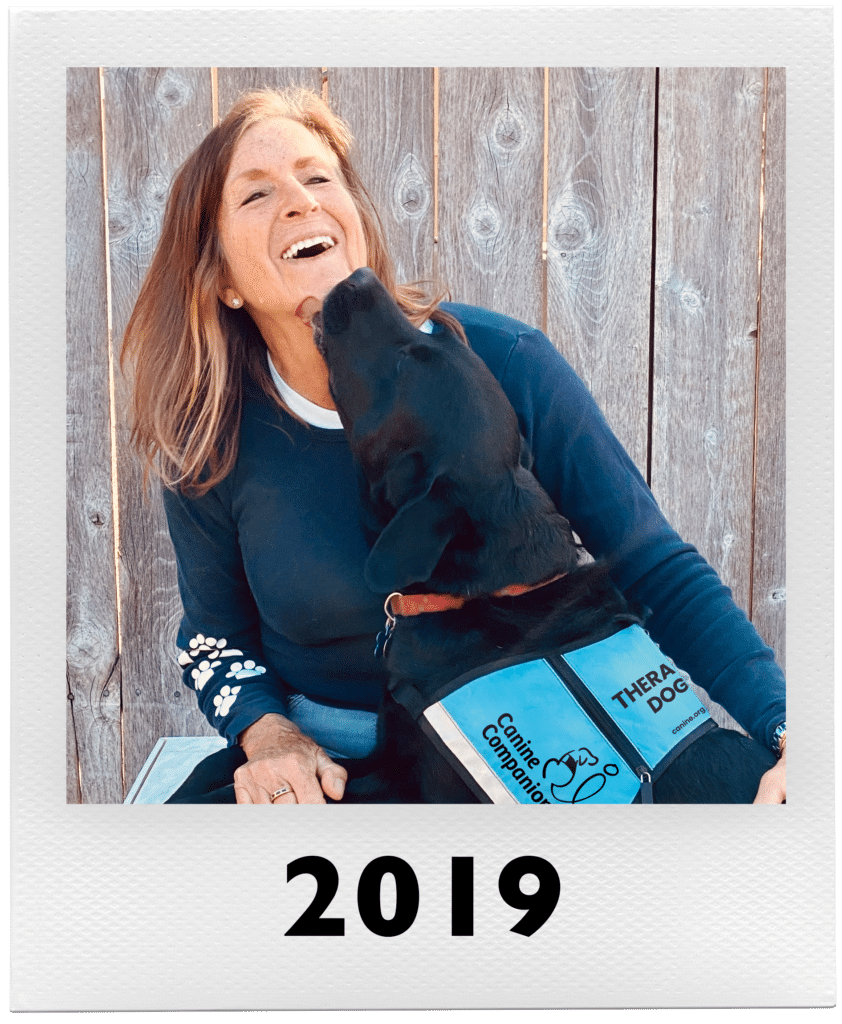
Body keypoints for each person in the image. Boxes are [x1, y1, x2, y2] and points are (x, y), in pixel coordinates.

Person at [121, 87, 786, 805]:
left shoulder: (503, 359)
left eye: (318, 177)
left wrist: (788, 729)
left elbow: (653, 563)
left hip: (531, 749)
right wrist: (268, 735)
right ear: (221, 278)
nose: (300, 200)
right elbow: (214, 640)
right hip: (336, 771)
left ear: (353, 215)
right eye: (256, 195)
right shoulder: (209, 434)